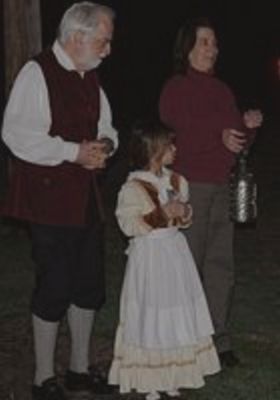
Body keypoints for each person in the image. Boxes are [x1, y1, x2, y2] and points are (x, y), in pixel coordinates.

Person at [1, 2, 118, 399]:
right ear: (76, 37)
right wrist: (73, 152)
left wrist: (106, 144)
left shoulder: (90, 77)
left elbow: (105, 126)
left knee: (88, 284)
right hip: (48, 202)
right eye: (103, 41)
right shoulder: (37, 73)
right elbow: (16, 134)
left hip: (84, 200)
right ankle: (42, 377)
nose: (107, 49)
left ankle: (79, 371)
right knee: (55, 285)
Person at [159, 18, 263, 368]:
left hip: (221, 186)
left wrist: (246, 128)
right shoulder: (176, 87)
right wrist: (217, 135)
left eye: (214, 42)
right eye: (204, 42)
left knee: (221, 266)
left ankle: (217, 339)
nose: (212, 48)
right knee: (187, 267)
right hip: (190, 189)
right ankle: (184, 338)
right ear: (187, 47)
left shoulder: (222, 90)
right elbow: (177, 135)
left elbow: (233, 141)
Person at [109, 121, 220, 400]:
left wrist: (183, 213)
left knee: (174, 307)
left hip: (174, 254)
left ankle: (173, 374)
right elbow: (128, 225)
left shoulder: (177, 181)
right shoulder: (133, 187)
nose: (175, 149)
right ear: (153, 150)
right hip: (150, 256)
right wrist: (159, 215)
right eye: (169, 145)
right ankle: (150, 378)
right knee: (152, 309)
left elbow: (184, 219)